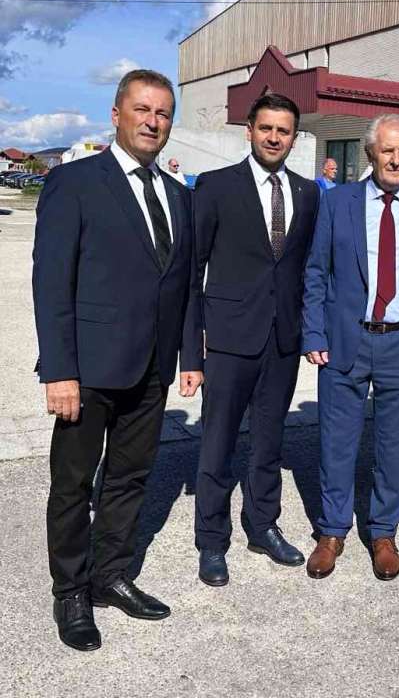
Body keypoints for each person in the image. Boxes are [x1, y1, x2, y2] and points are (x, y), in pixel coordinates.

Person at [32, 69, 204, 651]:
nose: (153, 122)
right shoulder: (75, 183)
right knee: (73, 484)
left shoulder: (179, 196)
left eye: (163, 113)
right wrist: (59, 370)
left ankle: (109, 576)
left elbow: (184, 285)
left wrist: (190, 354)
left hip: (151, 370)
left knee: (130, 478)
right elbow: (52, 282)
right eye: (142, 110)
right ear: (116, 114)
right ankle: (70, 592)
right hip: (87, 370)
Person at [302, 114, 399, 581]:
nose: (397, 159)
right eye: (388, 150)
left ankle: (383, 532)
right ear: (370, 153)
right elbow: (316, 272)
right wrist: (314, 333)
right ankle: (331, 531)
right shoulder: (338, 202)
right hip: (345, 340)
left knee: (393, 446)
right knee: (337, 442)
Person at [191, 94, 320, 586]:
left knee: (269, 441)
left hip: (282, 339)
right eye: (266, 128)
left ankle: (263, 525)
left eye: (283, 131)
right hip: (228, 338)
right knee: (218, 443)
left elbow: (305, 268)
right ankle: (211, 539)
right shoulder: (216, 186)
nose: (273, 137)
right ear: (249, 130)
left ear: (294, 137)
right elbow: (192, 272)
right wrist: (192, 347)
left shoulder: (308, 193)